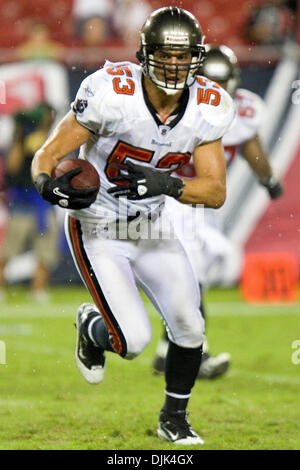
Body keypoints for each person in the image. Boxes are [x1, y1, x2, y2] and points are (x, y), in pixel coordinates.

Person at [31, 7, 236, 445]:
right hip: (100, 226)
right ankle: (92, 329)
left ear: (196, 58)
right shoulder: (111, 93)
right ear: (146, 54)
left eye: (184, 57)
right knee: (134, 341)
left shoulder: (208, 105)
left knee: (190, 327)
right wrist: (49, 188)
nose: (176, 65)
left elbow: (215, 191)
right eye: (166, 54)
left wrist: (168, 184)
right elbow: (46, 157)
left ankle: (173, 419)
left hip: (153, 227)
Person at [152, 44, 284, 378]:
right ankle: (196, 354)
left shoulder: (241, 110)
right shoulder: (179, 104)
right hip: (176, 200)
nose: (218, 89)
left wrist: (267, 177)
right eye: (211, 80)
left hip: (208, 205)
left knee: (197, 280)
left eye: (223, 81)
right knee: (190, 279)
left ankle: (167, 350)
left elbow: (250, 143)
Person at [0, 103, 58, 302]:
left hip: (43, 202)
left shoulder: (54, 138)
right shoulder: (23, 136)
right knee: (8, 250)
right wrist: (19, 136)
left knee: (46, 251)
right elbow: (12, 167)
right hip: (24, 201)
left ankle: (38, 289)